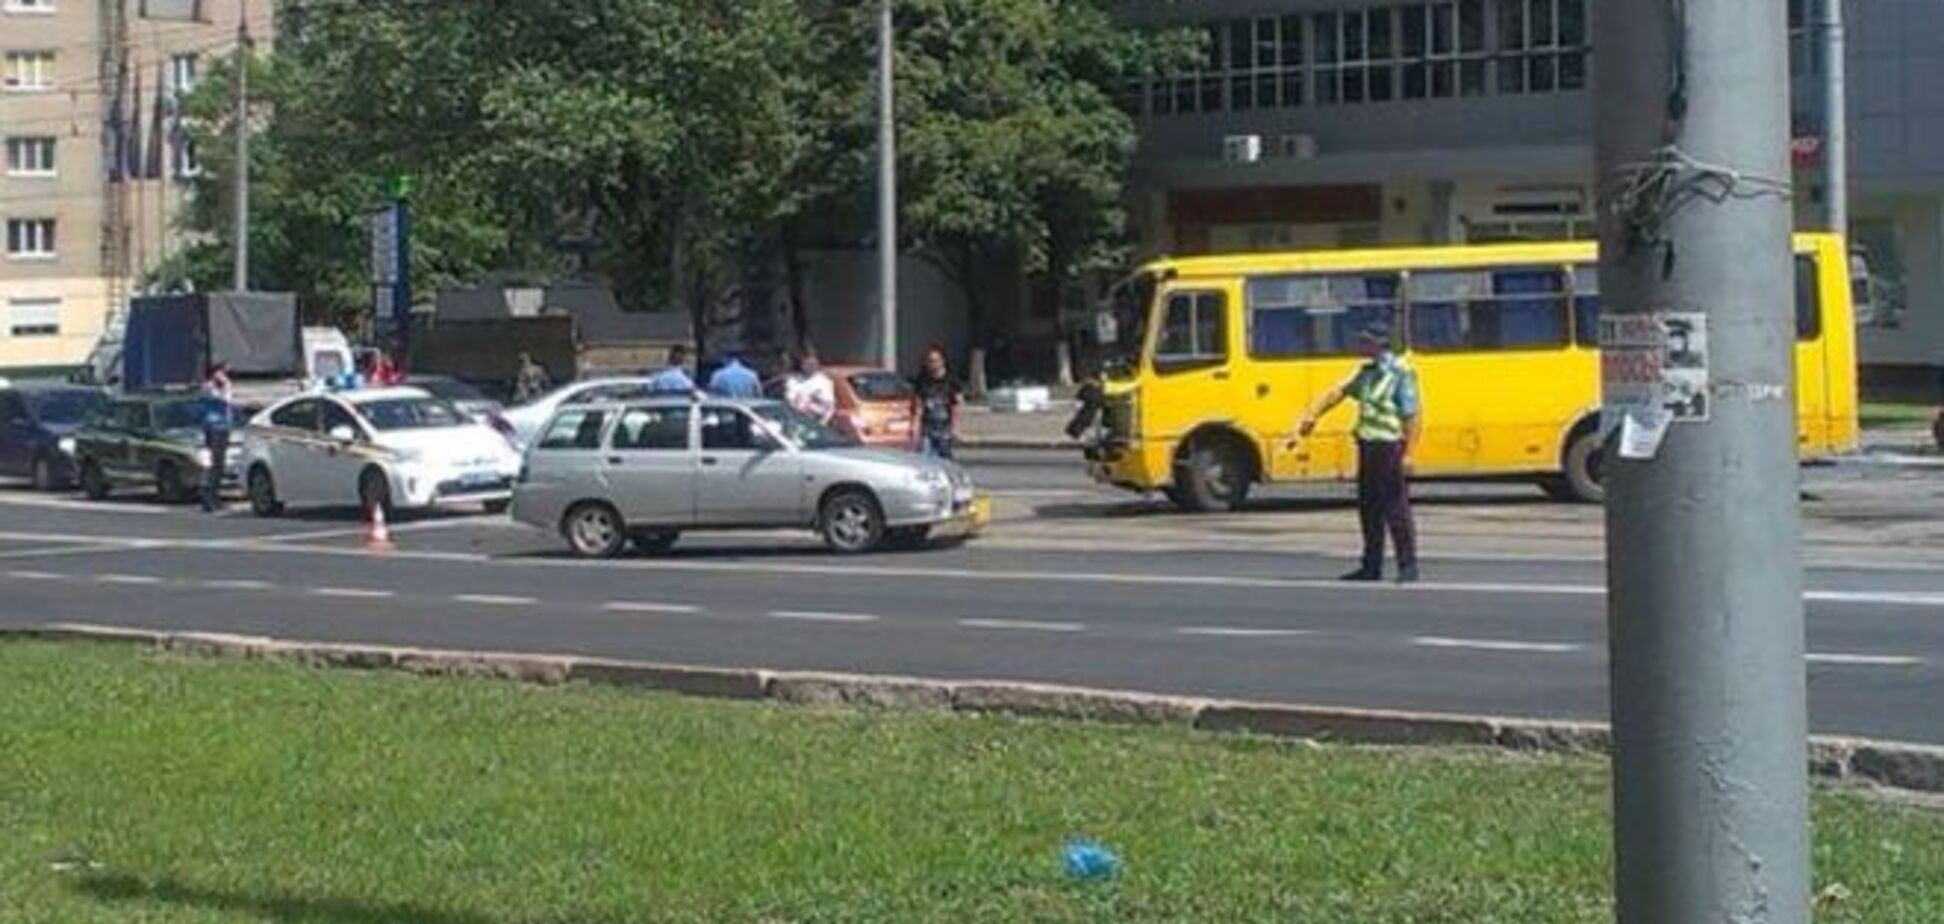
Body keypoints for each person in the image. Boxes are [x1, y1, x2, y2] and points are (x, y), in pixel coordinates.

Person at [1294, 322, 1421, 584]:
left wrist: (1408, 453)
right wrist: (1313, 415)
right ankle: (1371, 565)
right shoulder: (1366, 372)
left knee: (1395, 508)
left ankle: (1407, 566)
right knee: (1369, 508)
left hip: (1389, 446)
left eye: (1366, 341)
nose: (1361, 345)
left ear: (1379, 343)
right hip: (1368, 445)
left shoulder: (1399, 372)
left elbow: (1412, 415)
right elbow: (1339, 392)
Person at [909, 343, 961, 459]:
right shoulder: (922, 381)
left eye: (936, 361)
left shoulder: (951, 381)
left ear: (942, 361)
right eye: (930, 361)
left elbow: (955, 407)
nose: (933, 364)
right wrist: (914, 428)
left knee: (944, 461)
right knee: (924, 459)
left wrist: (955, 428)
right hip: (927, 429)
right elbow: (918, 406)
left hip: (944, 429)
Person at [198, 362, 235, 513]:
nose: (224, 375)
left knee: (219, 465)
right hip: (215, 428)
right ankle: (209, 498)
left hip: (222, 427)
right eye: (221, 372)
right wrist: (227, 384)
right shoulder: (208, 387)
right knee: (215, 465)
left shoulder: (215, 387)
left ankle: (215, 497)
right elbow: (225, 399)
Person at [783, 350, 836, 424]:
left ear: (817, 365)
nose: (811, 367)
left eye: (813, 364)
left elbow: (829, 407)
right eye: (808, 364)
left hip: (814, 421)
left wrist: (822, 424)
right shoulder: (793, 380)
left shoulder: (825, 382)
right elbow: (789, 401)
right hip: (795, 420)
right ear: (802, 365)